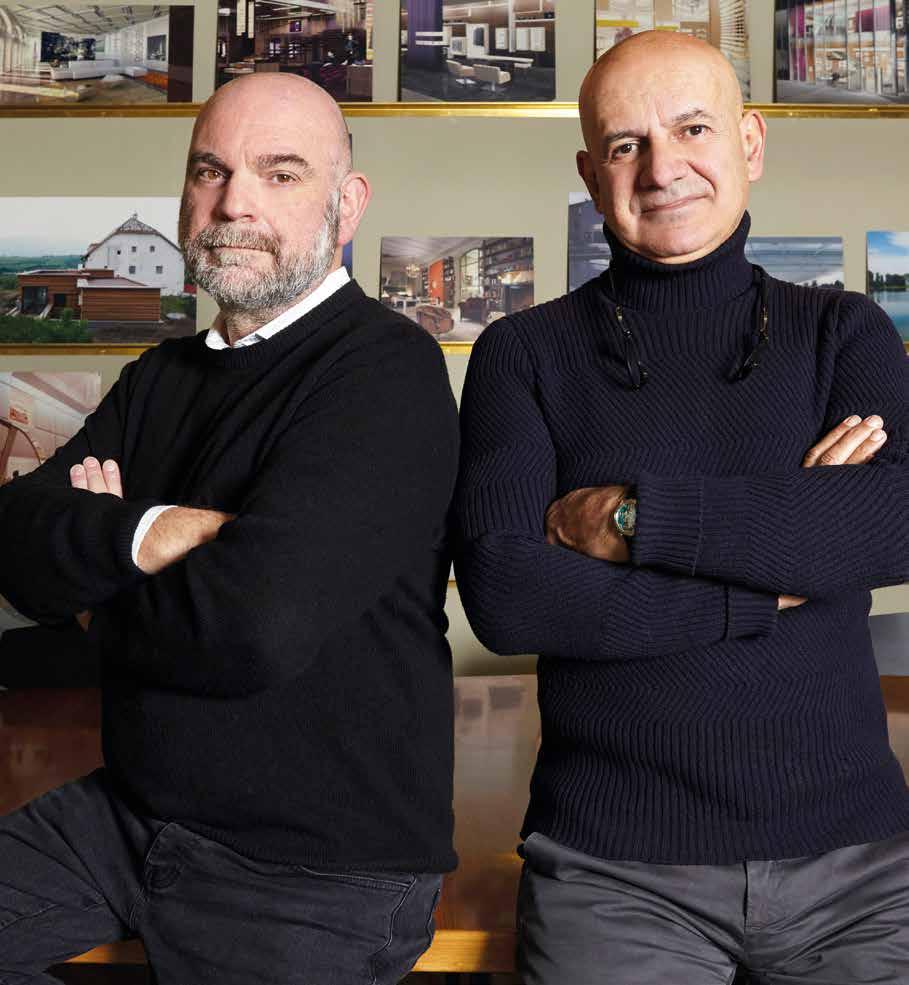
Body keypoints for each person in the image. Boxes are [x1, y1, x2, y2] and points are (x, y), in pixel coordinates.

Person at [454, 31, 909, 985]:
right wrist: (774, 571)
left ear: (749, 142)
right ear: (591, 174)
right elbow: (507, 591)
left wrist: (633, 521)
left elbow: (896, 519)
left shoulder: (843, 332)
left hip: (860, 868)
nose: (661, 169)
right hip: (611, 873)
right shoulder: (521, 353)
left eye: (692, 129)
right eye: (626, 145)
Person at [0, 73, 459, 984]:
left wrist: (96, 586)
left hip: (312, 869)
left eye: (280, 174)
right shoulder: (159, 376)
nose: (233, 203)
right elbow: (14, 538)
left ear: (347, 204)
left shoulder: (386, 372)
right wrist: (160, 533)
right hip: (129, 815)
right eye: (210, 171)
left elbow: (256, 626)